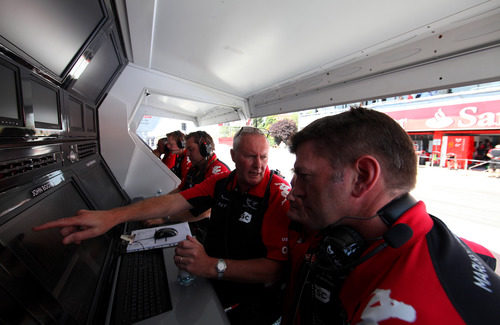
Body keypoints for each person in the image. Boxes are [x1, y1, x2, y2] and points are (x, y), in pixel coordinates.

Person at [34, 126, 291, 325]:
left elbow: (275, 271)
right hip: (214, 278)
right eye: (249, 157)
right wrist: (113, 216)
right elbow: (172, 202)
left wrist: (211, 266)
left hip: (249, 299)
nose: (258, 165)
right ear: (234, 156)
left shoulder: (278, 195)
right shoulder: (224, 182)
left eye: (263, 157)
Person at [282, 107, 500, 324]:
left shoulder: (399, 313)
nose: (294, 192)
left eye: (304, 176)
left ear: (362, 177)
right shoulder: (427, 239)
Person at [146, 131, 230, 242]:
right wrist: (158, 204)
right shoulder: (195, 168)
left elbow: (206, 212)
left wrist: (164, 218)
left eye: (191, 149)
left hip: (208, 232)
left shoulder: (218, 171)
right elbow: (180, 191)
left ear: (206, 149)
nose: (187, 153)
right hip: (190, 223)